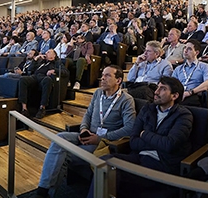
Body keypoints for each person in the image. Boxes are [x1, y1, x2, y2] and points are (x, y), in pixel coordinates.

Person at [34, 66, 136, 198]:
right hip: (87, 135)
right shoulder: (98, 93)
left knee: (61, 155)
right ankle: (44, 190)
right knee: (59, 138)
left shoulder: (126, 100)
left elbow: (130, 128)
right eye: (102, 75)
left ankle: (45, 192)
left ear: (118, 80)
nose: (102, 78)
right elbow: (87, 114)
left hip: (102, 143)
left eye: (107, 75)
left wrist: (100, 138)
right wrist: (83, 129)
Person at [91, 76, 192, 198]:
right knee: (105, 162)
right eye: (158, 87)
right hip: (139, 157)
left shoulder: (184, 115)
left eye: (162, 89)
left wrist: (145, 134)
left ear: (174, 96)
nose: (156, 92)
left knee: (115, 175)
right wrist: (157, 141)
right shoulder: (148, 109)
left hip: (162, 164)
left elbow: (169, 145)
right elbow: (133, 141)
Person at [18, 49, 61, 119]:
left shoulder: (56, 63)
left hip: (43, 78)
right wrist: (35, 59)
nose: (46, 53)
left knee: (48, 80)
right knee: (23, 79)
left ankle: (42, 108)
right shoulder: (41, 62)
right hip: (35, 77)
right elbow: (30, 69)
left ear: (53, 55)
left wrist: (54, 70)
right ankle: (24, 108)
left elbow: (65, 72)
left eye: (48, 52)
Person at [172, 40, 208, 107]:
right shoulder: (178, 69)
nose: (185, 51)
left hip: (193, 95)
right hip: (178, 95)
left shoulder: (204, 66)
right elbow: (172, 84)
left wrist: (190, 92)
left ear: (196, 52)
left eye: (189, 49)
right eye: (185, 48)